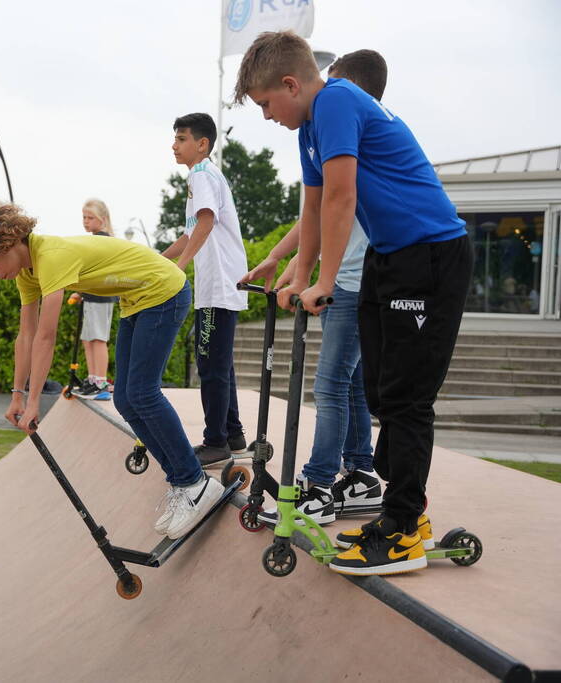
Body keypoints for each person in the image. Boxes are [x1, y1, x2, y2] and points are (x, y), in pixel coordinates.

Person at [236, 32, 473, 576]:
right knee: (379, 392)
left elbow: (345, 196)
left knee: (408, 399)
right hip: (389, 260)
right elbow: (315, 207)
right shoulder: (309, 127)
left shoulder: (338, 100)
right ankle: (396, 505)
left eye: (267, 103)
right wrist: (297, 272)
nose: (267, 116)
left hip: (431, 255)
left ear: (291, 84)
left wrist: (320, 281)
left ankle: (405, 527)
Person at [0, 200, 223, 539]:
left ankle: (196, 484)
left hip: (163, 290)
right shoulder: (27, 272)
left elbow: (46, 335)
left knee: (143, 393)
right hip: (137, 300)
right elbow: (25, 335)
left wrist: (35, 402)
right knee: (127, 401)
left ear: (7, 245)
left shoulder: (50, 256)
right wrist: (17, 395)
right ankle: (184, 484)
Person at [244, 50, 388, 527]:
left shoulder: (344, 122)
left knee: (330, 385)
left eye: (333, 82)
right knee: (347, 386)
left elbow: (334, 205)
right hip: (346, 281)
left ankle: (320, 483)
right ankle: (361, 473)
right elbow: (312, 212)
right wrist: (283, 261)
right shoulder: (334, 133)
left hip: (352, 283)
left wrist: (317, 280)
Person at [161, 113, 248, 468]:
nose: (174, 145)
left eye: (181, 139)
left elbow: (207, 221)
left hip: (219, 284)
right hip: (219, 284)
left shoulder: (201, 174)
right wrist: (158, 261)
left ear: (202, 144)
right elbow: (189, 233)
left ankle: (216, 442)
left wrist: (179, 270)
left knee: (211, 364)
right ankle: (233, 433)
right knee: (218, 362)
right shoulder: (203, 177)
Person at [71, 198, 119, 401]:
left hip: (101, 296)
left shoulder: (103, 239)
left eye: (90, 217)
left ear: (103, 219)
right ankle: (93, 378)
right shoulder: (95, 239)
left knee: (98, 338)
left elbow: (98, 270)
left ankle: (101, 382)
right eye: (84, 217)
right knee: (87, 338)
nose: (86, 221)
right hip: (92, 295)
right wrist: (80, 292)